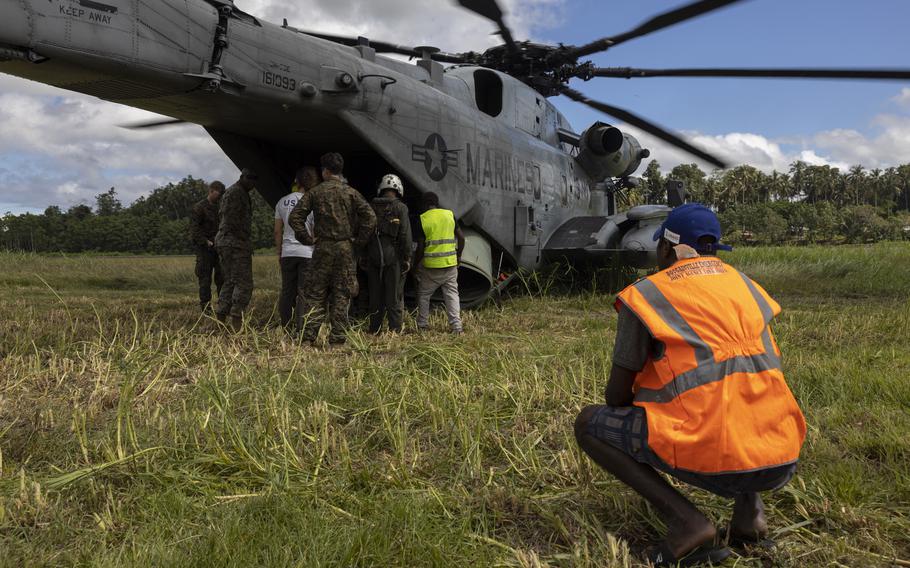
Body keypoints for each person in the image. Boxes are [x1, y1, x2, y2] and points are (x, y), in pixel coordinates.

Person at [573, 204, 807, 567]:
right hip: (782, 455)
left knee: (590, 424)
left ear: (666, 248)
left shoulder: (649, 295)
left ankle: (689, 524)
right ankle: (750, 518)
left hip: (718, 461)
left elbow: (615, 397)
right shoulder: (744, 286)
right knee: (740, 398)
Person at [288, 153, 376, 345]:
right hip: (345, 248)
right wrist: (358, 241)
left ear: (325, 171)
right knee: (342, 294)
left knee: (315, 293)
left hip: (323, 248)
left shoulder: (316, 192)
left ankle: (308, 338)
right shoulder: (351, 193)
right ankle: (337, 340)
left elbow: (295, 217)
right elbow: (370, 218)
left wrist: (307, 238)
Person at [366, 174, 413, 334]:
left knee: (375, 295)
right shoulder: (401, 208)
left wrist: (363, 256)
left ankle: (374, 329)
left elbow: (363, 232)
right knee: (394, 296)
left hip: (374, 257)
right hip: (393, 258)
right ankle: (395, 330)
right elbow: (406, 236)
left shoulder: (370, 206)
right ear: (398, 189)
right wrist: (407, 257)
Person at [275, 166, 319, 330]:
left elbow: (277, 231)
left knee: (287, 290)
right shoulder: (312, 202)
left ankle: (286, 326)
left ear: (297, 181)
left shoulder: (282, 201)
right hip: (307, 253)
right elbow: (314, 231)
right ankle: (301, 328)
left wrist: (279, 252)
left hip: (288, 252)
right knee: (303, 292)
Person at [414, 192, 465, 334]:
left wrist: (415, 265)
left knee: (424, 295)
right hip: (450, 264)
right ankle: (456, 327)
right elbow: (461, 238)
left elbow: (420, 247)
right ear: (437, 203)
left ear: (424, 205)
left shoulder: (422, 219)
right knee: (452, 294)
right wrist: (458, 256)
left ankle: (423, 325)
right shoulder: (449, 215)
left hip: (431, 267)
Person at [214, 168, 258, 331]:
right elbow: (232, 221)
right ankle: (236, 321)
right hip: (234, 243)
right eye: (250, 180)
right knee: (244, 283)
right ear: (243, 178)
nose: (253, 184)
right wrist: (245, 241)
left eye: (255, 181)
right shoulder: (236, 193)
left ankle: (220, 318)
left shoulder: (238, 192)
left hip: (228, 242)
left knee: (231, 281)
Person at [189, 181, 225, 312]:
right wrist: (205, 241)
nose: (219, 197)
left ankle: (222, 306)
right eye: (218, 194)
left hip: (219, 247)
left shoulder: (219, 207)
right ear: (211, 191)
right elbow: (194, 230)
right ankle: (206, 309)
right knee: (205, 279)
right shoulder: (199, 207)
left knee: (222, 277)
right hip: (204, 249)